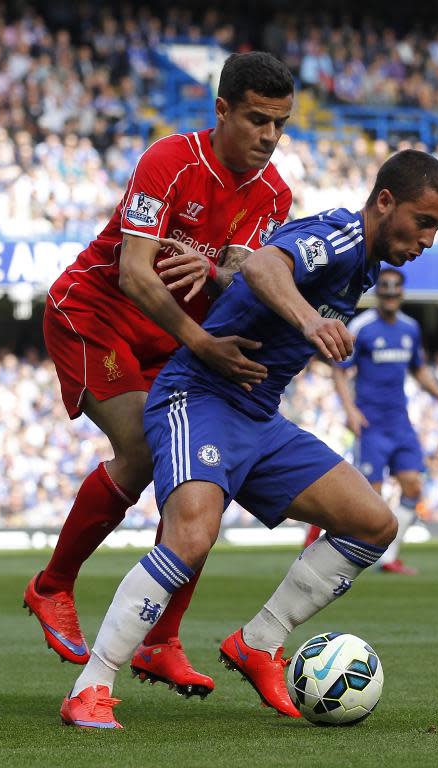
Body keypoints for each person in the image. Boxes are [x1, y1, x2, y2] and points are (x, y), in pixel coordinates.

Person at [59, 149, 438, 729]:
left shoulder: (364, 263)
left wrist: (221, 273)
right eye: (424, 222)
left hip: (258, 416)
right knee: (191, 536)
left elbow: (249, 274)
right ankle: (90, 687)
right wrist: (311, 321)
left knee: (374, 524)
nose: (428, 239)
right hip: (198, 396)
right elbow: (269, 266)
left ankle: (259, 640)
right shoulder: (345, 235)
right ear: (386, 201)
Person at [23, 52, 294, 698]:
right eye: (256, 119)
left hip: (170, 340)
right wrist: (203, 337)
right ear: (221, 109)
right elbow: (134, 273)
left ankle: (160, 640)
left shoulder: (275, 195)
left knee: (205, 470)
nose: (268, 137)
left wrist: (225, 277)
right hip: (96, 316)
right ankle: (53, 584)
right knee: (146, 447)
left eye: (280, 124)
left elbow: (241, 290)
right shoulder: (170, 161)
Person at [304, 269, 438, 572]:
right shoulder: (362, 327)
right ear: (378, 293)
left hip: (400, 423)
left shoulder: (410, 329)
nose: (389, 294)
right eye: (384, 289)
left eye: (394, 289)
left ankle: (388, 558)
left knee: (413, 486)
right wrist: (349, 410)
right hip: (370, 424)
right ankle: (318, 531)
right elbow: (339, 368)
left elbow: (420, 369)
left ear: (401, 293)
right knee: (369, 499)